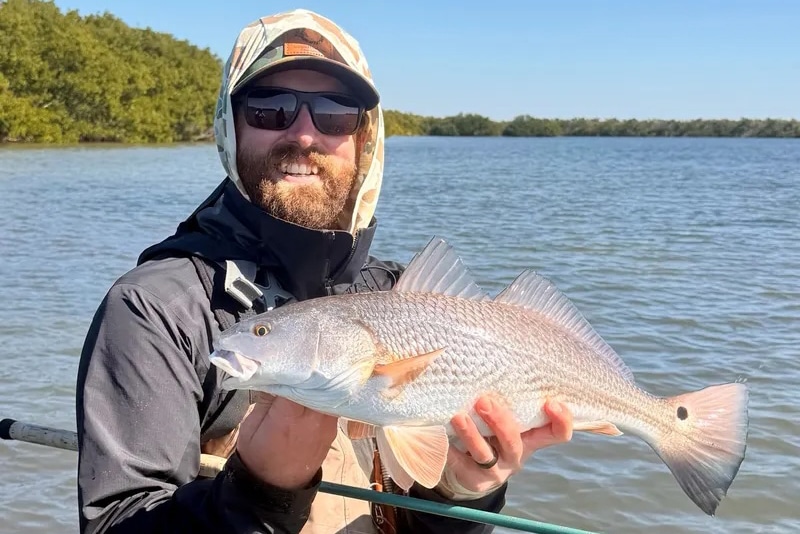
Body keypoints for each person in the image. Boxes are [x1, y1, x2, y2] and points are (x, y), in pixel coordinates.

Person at [75, 8, 574, 534]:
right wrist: (260, 490)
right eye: (270, 109)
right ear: (230, 127)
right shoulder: (160, 309)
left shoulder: (398, 292)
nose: (305, 135)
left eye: (336, 113)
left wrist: (458, 492)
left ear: (365, 139)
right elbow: (115, 524)